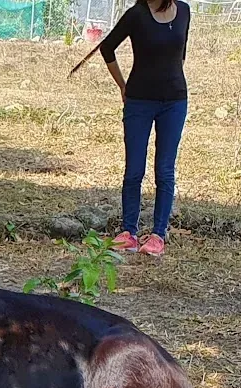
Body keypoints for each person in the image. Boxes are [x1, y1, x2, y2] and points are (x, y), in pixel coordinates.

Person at [92, 0, 191, 256]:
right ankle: (129, 233)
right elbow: (107, 48)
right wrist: (122, 86)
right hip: (139, 102)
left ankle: (158, 234)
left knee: (165, 170)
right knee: (134, 169)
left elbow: (180, 55)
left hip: (174, 102)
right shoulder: (136, 15)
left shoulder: (184, 11)